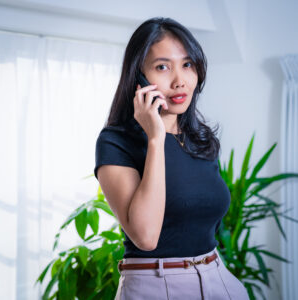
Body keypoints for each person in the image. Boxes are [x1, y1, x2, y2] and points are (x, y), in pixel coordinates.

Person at [94, 17, 249, 300]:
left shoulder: (201, 140)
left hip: (217, 277)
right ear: (138, 76)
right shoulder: (116, 142)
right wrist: (155, 138)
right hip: (156, 284)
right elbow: (146, 237)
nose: (180, 81)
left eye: (187, 64)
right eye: (162, 67)